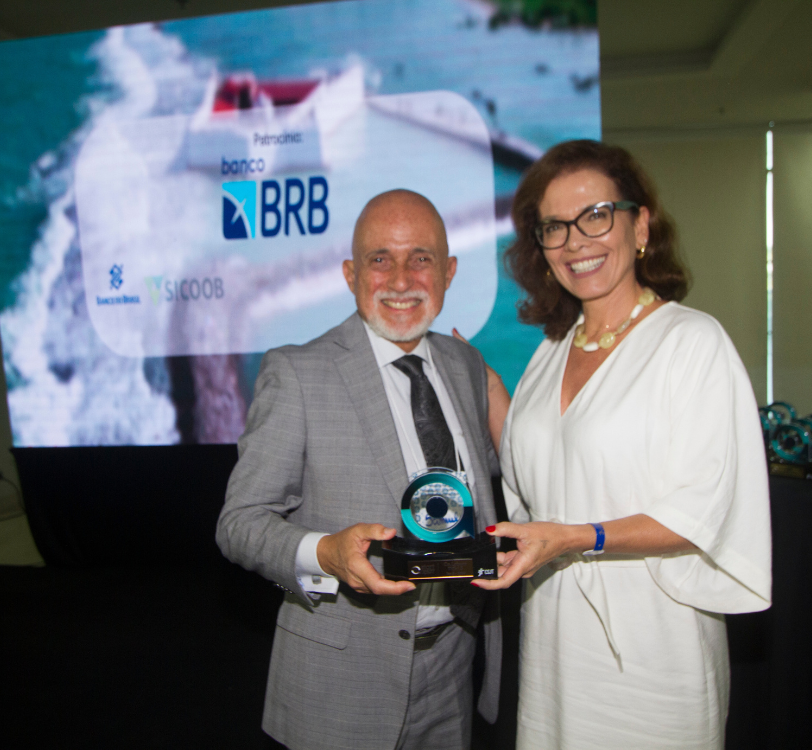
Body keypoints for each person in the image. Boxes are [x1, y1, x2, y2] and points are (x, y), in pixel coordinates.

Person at [470, 140, 772, 749]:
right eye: (554, 226)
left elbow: (704, 509)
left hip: (654, 650)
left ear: (641, 226)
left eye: (597, 215)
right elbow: (547, 475)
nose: (576, 240)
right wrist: (491, 391)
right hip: (555, 645)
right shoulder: (552, 351)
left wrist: (582, 537)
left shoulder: (691, 342)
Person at [216, 189, 501, 750]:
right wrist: (324, 553)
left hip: (453, 667)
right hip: (341, 686)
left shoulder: (466, 364)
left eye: (420, 258)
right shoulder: (296, 373)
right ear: (350, 274)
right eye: (379, 259)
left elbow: (479, 483)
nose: (400, 279)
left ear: (448, 273)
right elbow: (240, 521)